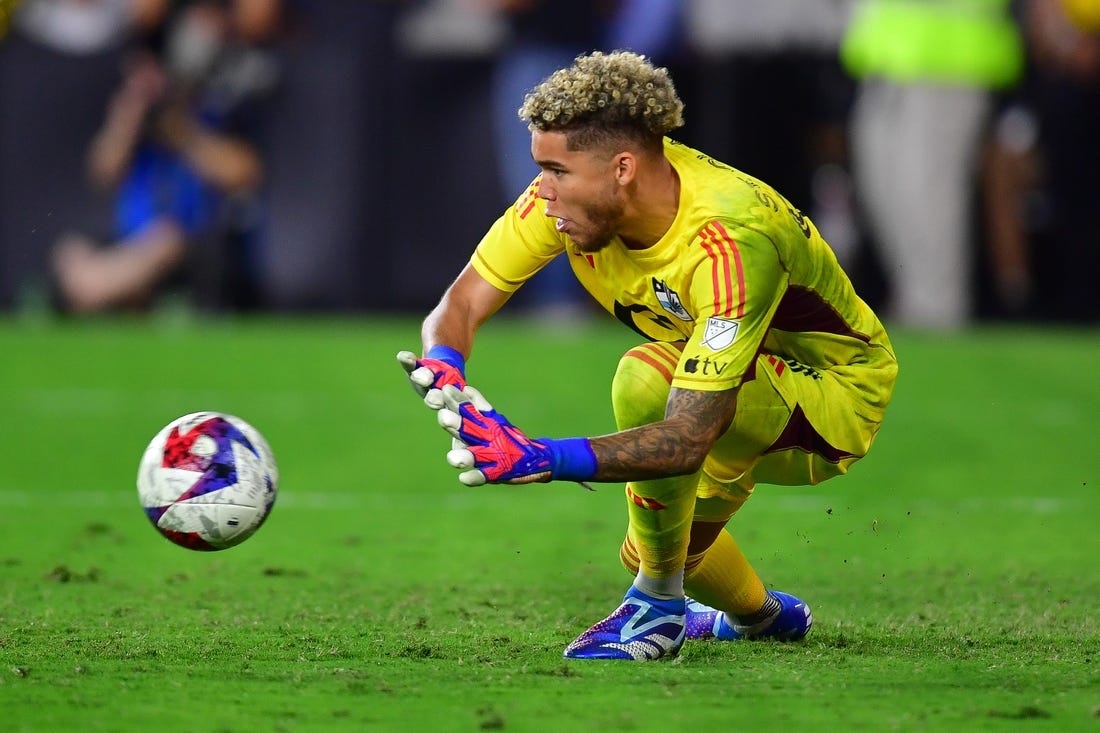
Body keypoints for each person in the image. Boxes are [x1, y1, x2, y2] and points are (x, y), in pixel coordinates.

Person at [398, 51, 897, 661]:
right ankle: (761, 618)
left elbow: (688, 435)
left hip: (829, 399)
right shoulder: (565, 202)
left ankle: (658, 608)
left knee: (647, 378)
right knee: (655, 542)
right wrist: (444, 364)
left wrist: (542, 457)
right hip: (732, 383)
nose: (541, 191)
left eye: (556, 171)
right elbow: (461, 303)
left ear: (623, 168)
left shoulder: (730, 239)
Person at [50, 0, 280, 313]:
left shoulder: (223, 102)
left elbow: (246, 173)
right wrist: (129, 114)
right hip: (132, 242)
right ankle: (112, 292)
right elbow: (102, 173)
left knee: (164, 242)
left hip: (195, 245)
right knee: (71, 250)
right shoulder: (144, 103)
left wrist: (184, 136)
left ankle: (101, 292)